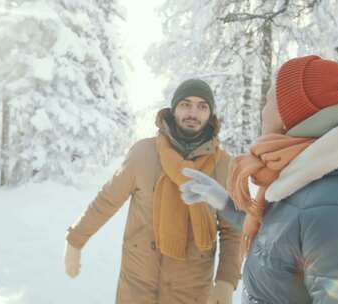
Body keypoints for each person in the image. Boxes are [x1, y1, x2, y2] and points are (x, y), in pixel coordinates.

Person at [181, 55, 338, 303]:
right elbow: (282, 240)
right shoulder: (313, 182)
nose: (262, 108)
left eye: (269, 99)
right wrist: (224, 202)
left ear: (290, 111)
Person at [64, 79, 242, 303]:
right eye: (186, 104)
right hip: (138, 287)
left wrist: (226, 280)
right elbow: (106, 200)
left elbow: (233, 230)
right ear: (174, 108)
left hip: (192, 292)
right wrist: (75, 240)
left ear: (210, 115)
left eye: (202, 106)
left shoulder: (225, 165)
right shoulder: (144, 153)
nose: (193, 113)